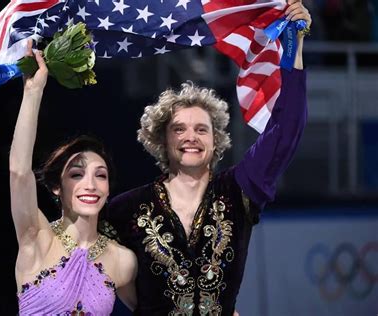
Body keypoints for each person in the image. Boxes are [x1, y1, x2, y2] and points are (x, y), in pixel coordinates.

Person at [100, 0, 312, 315]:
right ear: (162, 139)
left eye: (202, 129)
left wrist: (296, 42)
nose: (191, 138)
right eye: (179, 129)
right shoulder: (124, 209)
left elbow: (287, 128)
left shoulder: (240, 190)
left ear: (216, 141)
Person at [9, 40, 137, 315]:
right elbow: (19, 172)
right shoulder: (36, 238)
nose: (90, 184)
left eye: (100, 176)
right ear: (57, 187)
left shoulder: (123, 261)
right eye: (77, 174)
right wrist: (33, 92)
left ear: (107, 190)